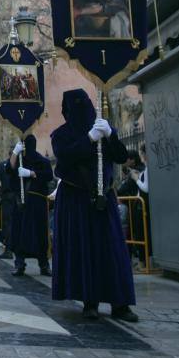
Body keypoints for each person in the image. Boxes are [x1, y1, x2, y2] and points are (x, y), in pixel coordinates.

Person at [51, 89, 138, 322]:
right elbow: (65, 157)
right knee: (84, 250)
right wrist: (88, 139)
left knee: (112, 250)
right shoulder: (61, 135)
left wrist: (110, 135)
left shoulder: (103, 128)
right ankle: (90, 301)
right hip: (76, 199)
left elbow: (121, 157)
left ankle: (120, 303)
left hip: (104, 198)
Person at [7, 136, 53, 277]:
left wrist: (32, 173)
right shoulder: (19, 159)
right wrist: (15, 153)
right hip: (21, 202)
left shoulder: (42, 161)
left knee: (39, 234)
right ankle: (19, 264)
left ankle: (44, 265)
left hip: (37, 203)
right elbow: (9, 169)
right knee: (19, 234)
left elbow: (49, 176)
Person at [0, 156, 17, 259]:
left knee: (7, 223)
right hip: (20, 196)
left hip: (7, 197)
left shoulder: (0, 165)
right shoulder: (22, 163)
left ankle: (8, 250)